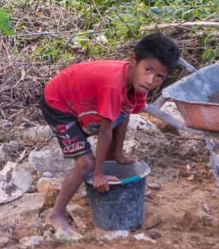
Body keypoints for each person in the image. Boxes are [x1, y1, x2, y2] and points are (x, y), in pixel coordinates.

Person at [40, 33, 180, 238]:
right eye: (148, 70)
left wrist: (118, 154)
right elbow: (106, 131)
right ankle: (57, 213)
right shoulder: (114, 85)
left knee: (106, 153)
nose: (151, 80)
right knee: (85, 164)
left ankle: (100, 193)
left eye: (159, 76)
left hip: (80, 99)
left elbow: (123, 115)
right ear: (133, 61)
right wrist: (97, 174)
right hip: (58, 102)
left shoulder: (138, 84)